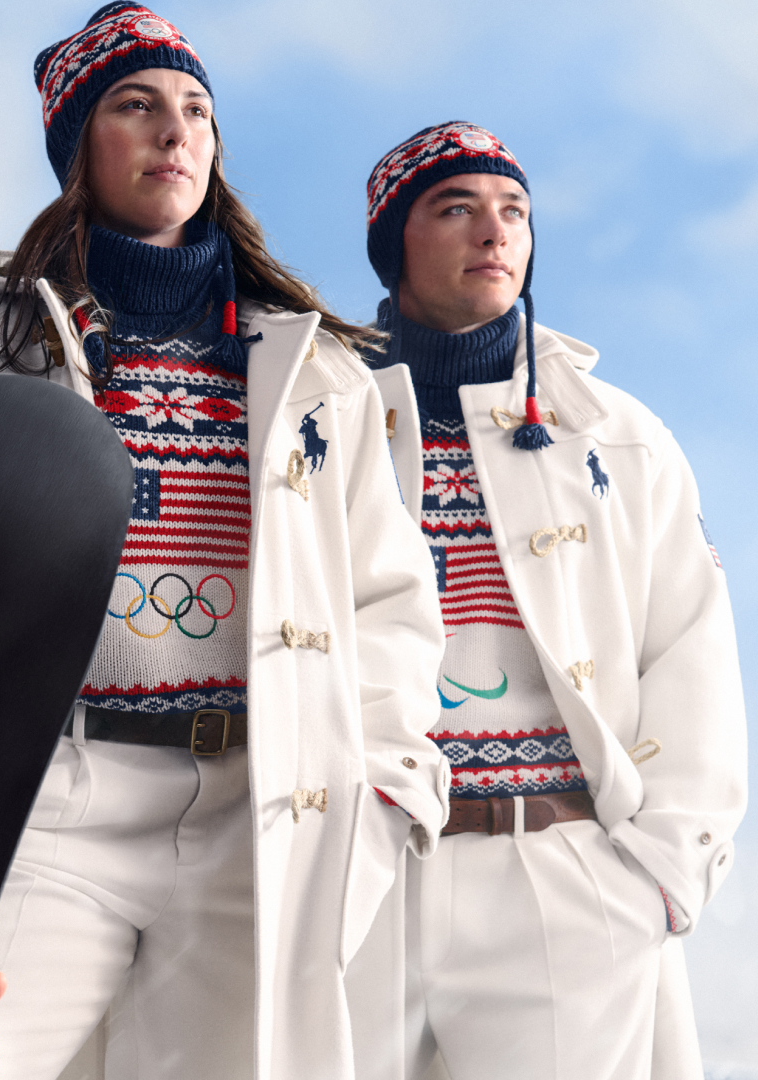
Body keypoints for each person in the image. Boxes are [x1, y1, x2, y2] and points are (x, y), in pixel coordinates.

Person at [0, 5, 449, 1078]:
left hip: (259, 816)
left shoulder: (317, 373)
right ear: (77, 146)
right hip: (35, 798)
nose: (176, 131)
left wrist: (386, 786)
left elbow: (389, 601)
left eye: (197, 110)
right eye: (137, 105)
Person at [350, 121, 746, 1080]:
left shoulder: (619, 436)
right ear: (396, 242)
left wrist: (658, 874)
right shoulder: (323, 420)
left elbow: (690, 649)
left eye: (514, 212)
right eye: (456, 209)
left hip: (564, 871)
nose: (494, 232)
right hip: (365, 876)